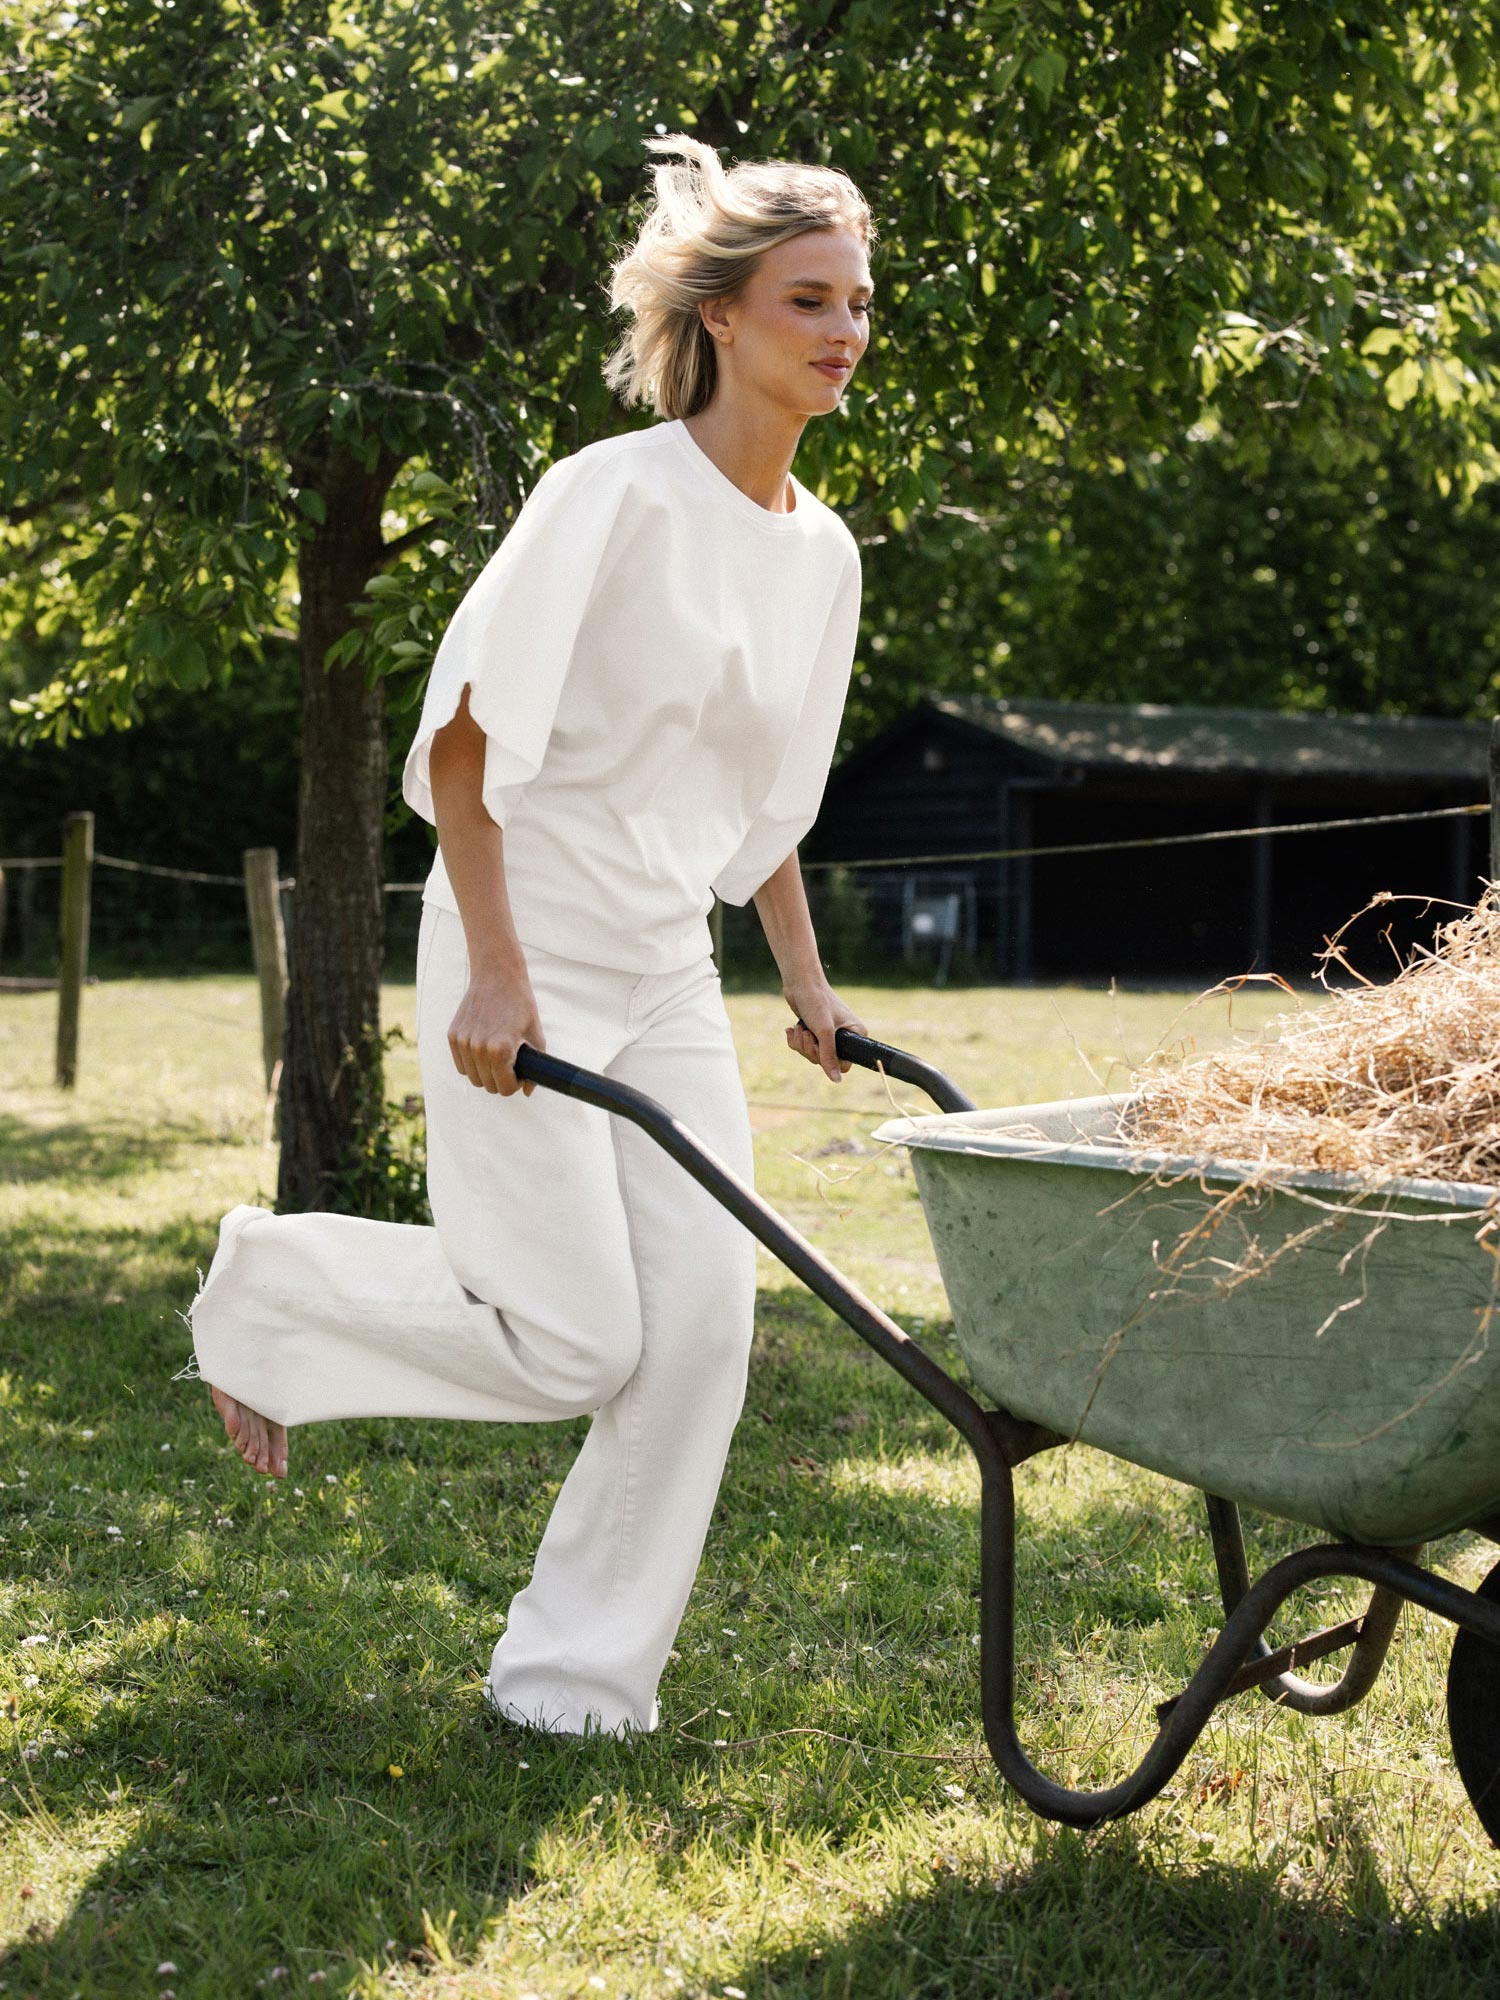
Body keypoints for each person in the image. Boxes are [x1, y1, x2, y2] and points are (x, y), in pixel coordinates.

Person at [187, 132, 876, 1738]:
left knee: (700, 1331)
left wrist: (805, 977)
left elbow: (764, 795)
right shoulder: (610, 496)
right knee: (577, 1340)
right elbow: (466, 741)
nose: (842, 332)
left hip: (664, 964)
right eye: (807, 301)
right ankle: (276, 1285)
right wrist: (496, 973)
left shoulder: (822, 552)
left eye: (857, 303)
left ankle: (575, 1685)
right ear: (720, 315)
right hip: (528, 939)